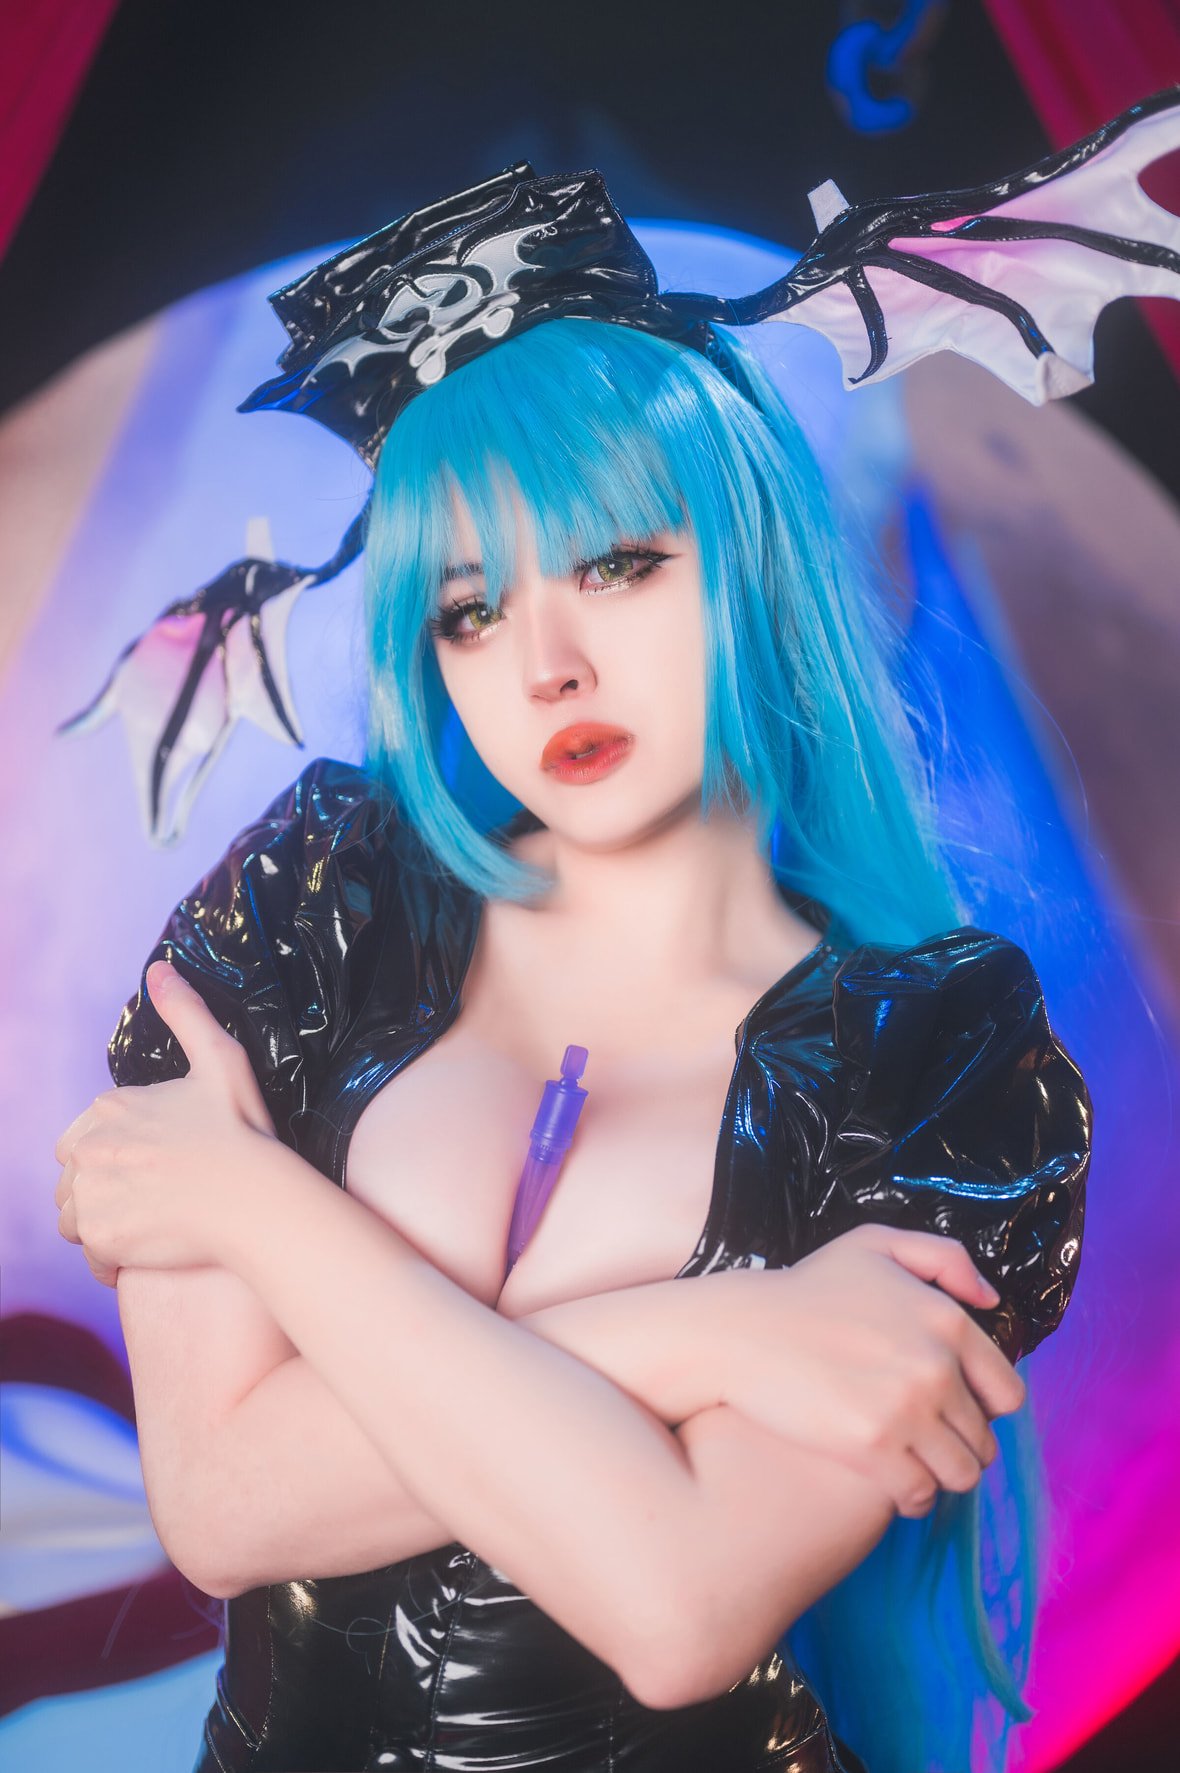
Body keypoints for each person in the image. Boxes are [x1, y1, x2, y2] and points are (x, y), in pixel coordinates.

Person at [51, 149, 1117, 1773]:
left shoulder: (939, 1059)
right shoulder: (316, 905)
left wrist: (249, 1199)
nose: (546, 666)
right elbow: (221, 1503)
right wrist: (717, 1335)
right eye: (471, 610)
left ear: (748, 555)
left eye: (617, 564)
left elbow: (678, 1608)